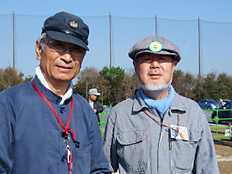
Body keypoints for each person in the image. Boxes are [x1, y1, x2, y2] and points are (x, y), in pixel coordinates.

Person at [0, 11, 110, 174]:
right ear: (39, 49)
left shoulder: (84, 109)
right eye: (58, 45)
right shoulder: (9, 104)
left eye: (76, 49)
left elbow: (99, 168)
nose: (67, 57)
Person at [103, 36, 220, 174]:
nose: (155, 65)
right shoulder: (120, 114)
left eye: (162, 60)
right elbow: (104, 167)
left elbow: (208, 169)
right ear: (135, 66)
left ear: (173, 66)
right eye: (147, 60)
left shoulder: (193, 113)